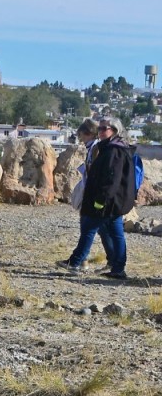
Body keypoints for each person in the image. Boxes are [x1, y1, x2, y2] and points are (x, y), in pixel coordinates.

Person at [60, 117, 136, 280]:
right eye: (99, 129)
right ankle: (116, 267)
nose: (100, 132)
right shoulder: (110, 148)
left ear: (114, 130)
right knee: (114, 233)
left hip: (108, 201)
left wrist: (100, 201)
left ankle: (76, 262)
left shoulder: (114, 151)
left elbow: (111, 180)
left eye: (104, 129)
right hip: (112, 201)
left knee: (89, 228)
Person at [56, 118, 106, 274]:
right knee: (101, 229)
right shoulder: (94, 148)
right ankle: (108, 261)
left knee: (89, 227)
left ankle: (78, 260)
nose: (81, 140)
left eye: (82, 136)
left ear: (88, 133)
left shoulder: (96, 148)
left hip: (93, 194)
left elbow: (95, 172)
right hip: (92, 192)